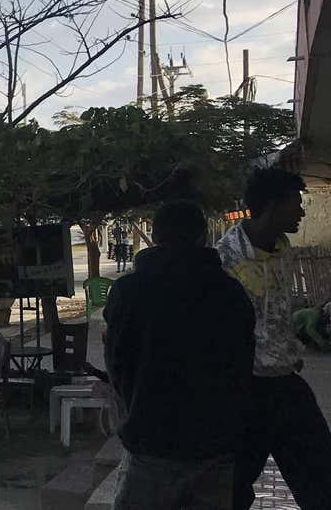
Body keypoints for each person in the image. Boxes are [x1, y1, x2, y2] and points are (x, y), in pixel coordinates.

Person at [104, 200, 256, 510]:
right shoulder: (231, 293)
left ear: (156, 236)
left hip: (150, 443)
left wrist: (131, 413)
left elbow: (117, 364)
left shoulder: (128, 292)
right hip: (214, 447)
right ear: (203, 236)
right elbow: (243, 367)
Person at [217, 167, 331, 509]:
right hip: (244, 391)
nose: (301, 211)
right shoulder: (224, 259)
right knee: (232, 486)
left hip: (285, 382)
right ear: (271, 205)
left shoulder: (282, 250)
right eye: (295, 203)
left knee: (321, 477)